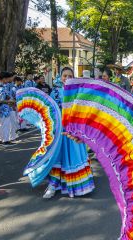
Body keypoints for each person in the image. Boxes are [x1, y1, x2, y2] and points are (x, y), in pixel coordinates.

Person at [43, 66, 95, 198]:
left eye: (70, 76)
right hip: (59, 131)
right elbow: (49, 111)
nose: (67, 78)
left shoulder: (79, 92)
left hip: (75, 131)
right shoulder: (55, 92)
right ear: (60, 77)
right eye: (65, 75)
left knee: (75, 155)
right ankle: (53, 185)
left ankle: (78, 184)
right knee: (58, 157)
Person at [0, 71, 15, 146]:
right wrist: (9, 101)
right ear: (4, 79)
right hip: (3, 109)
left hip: (5, 109)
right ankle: (5, 140)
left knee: (3, 124)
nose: (9, 80)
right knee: (5, 125)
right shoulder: (0, 88)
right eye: (8, 78)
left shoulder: (2, 86)